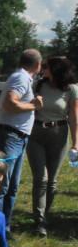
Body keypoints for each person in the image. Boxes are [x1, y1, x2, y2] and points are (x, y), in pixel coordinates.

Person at [0, 49, 44, 237]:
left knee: (12, 187)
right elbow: (9, 103)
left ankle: (4, 228)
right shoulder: (21, 78)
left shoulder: (21, 77)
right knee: (2, 186)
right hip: (10, 137)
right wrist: (33, 105)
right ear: (37, 65)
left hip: (17, 138)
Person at [25, 55, 77, 237]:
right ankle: (39, 222)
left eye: (46, 66)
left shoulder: (72, 89)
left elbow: (73, 117)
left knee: (52, 181)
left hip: (59, 135)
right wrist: (32, 104)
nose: (43, 68)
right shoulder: (37, 85)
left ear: (57, 69)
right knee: (41, 179)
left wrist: (76, 142)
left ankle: (44, 216)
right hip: (36, 134)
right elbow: (25, 105)